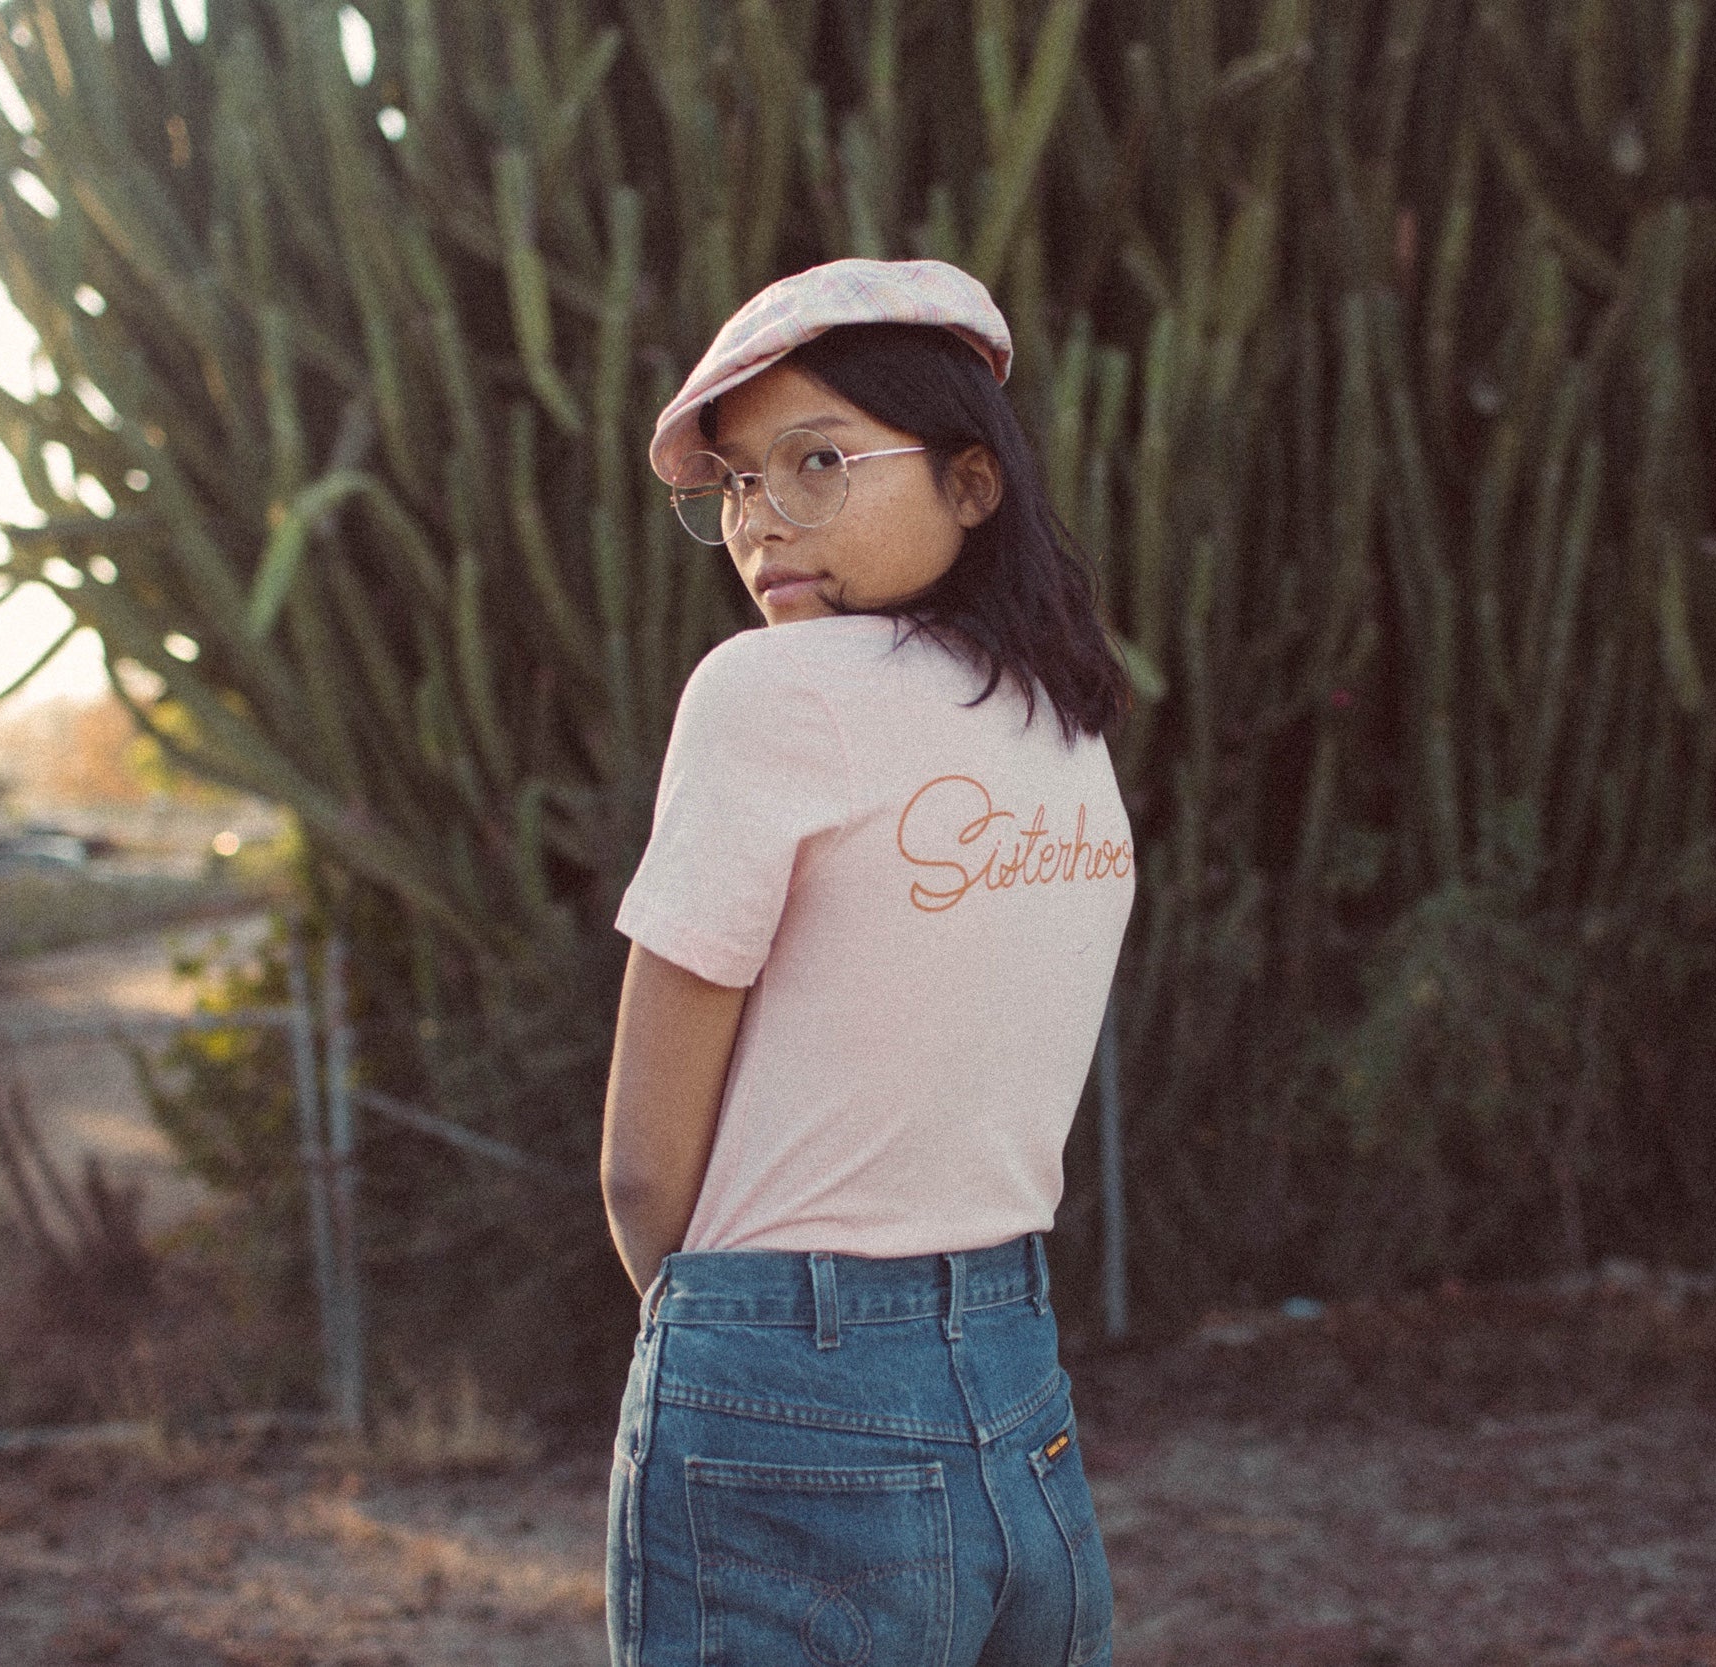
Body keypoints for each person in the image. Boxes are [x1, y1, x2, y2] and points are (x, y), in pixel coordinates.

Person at [599, 257, 1136, 1667]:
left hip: (783, 1368)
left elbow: (642, 1170)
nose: (763, 521)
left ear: (973, 481)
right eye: (734, 486)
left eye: (818, 461)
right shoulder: (1068, 731)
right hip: (1021, 1375)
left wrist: (736, 1351)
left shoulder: (766, 690)